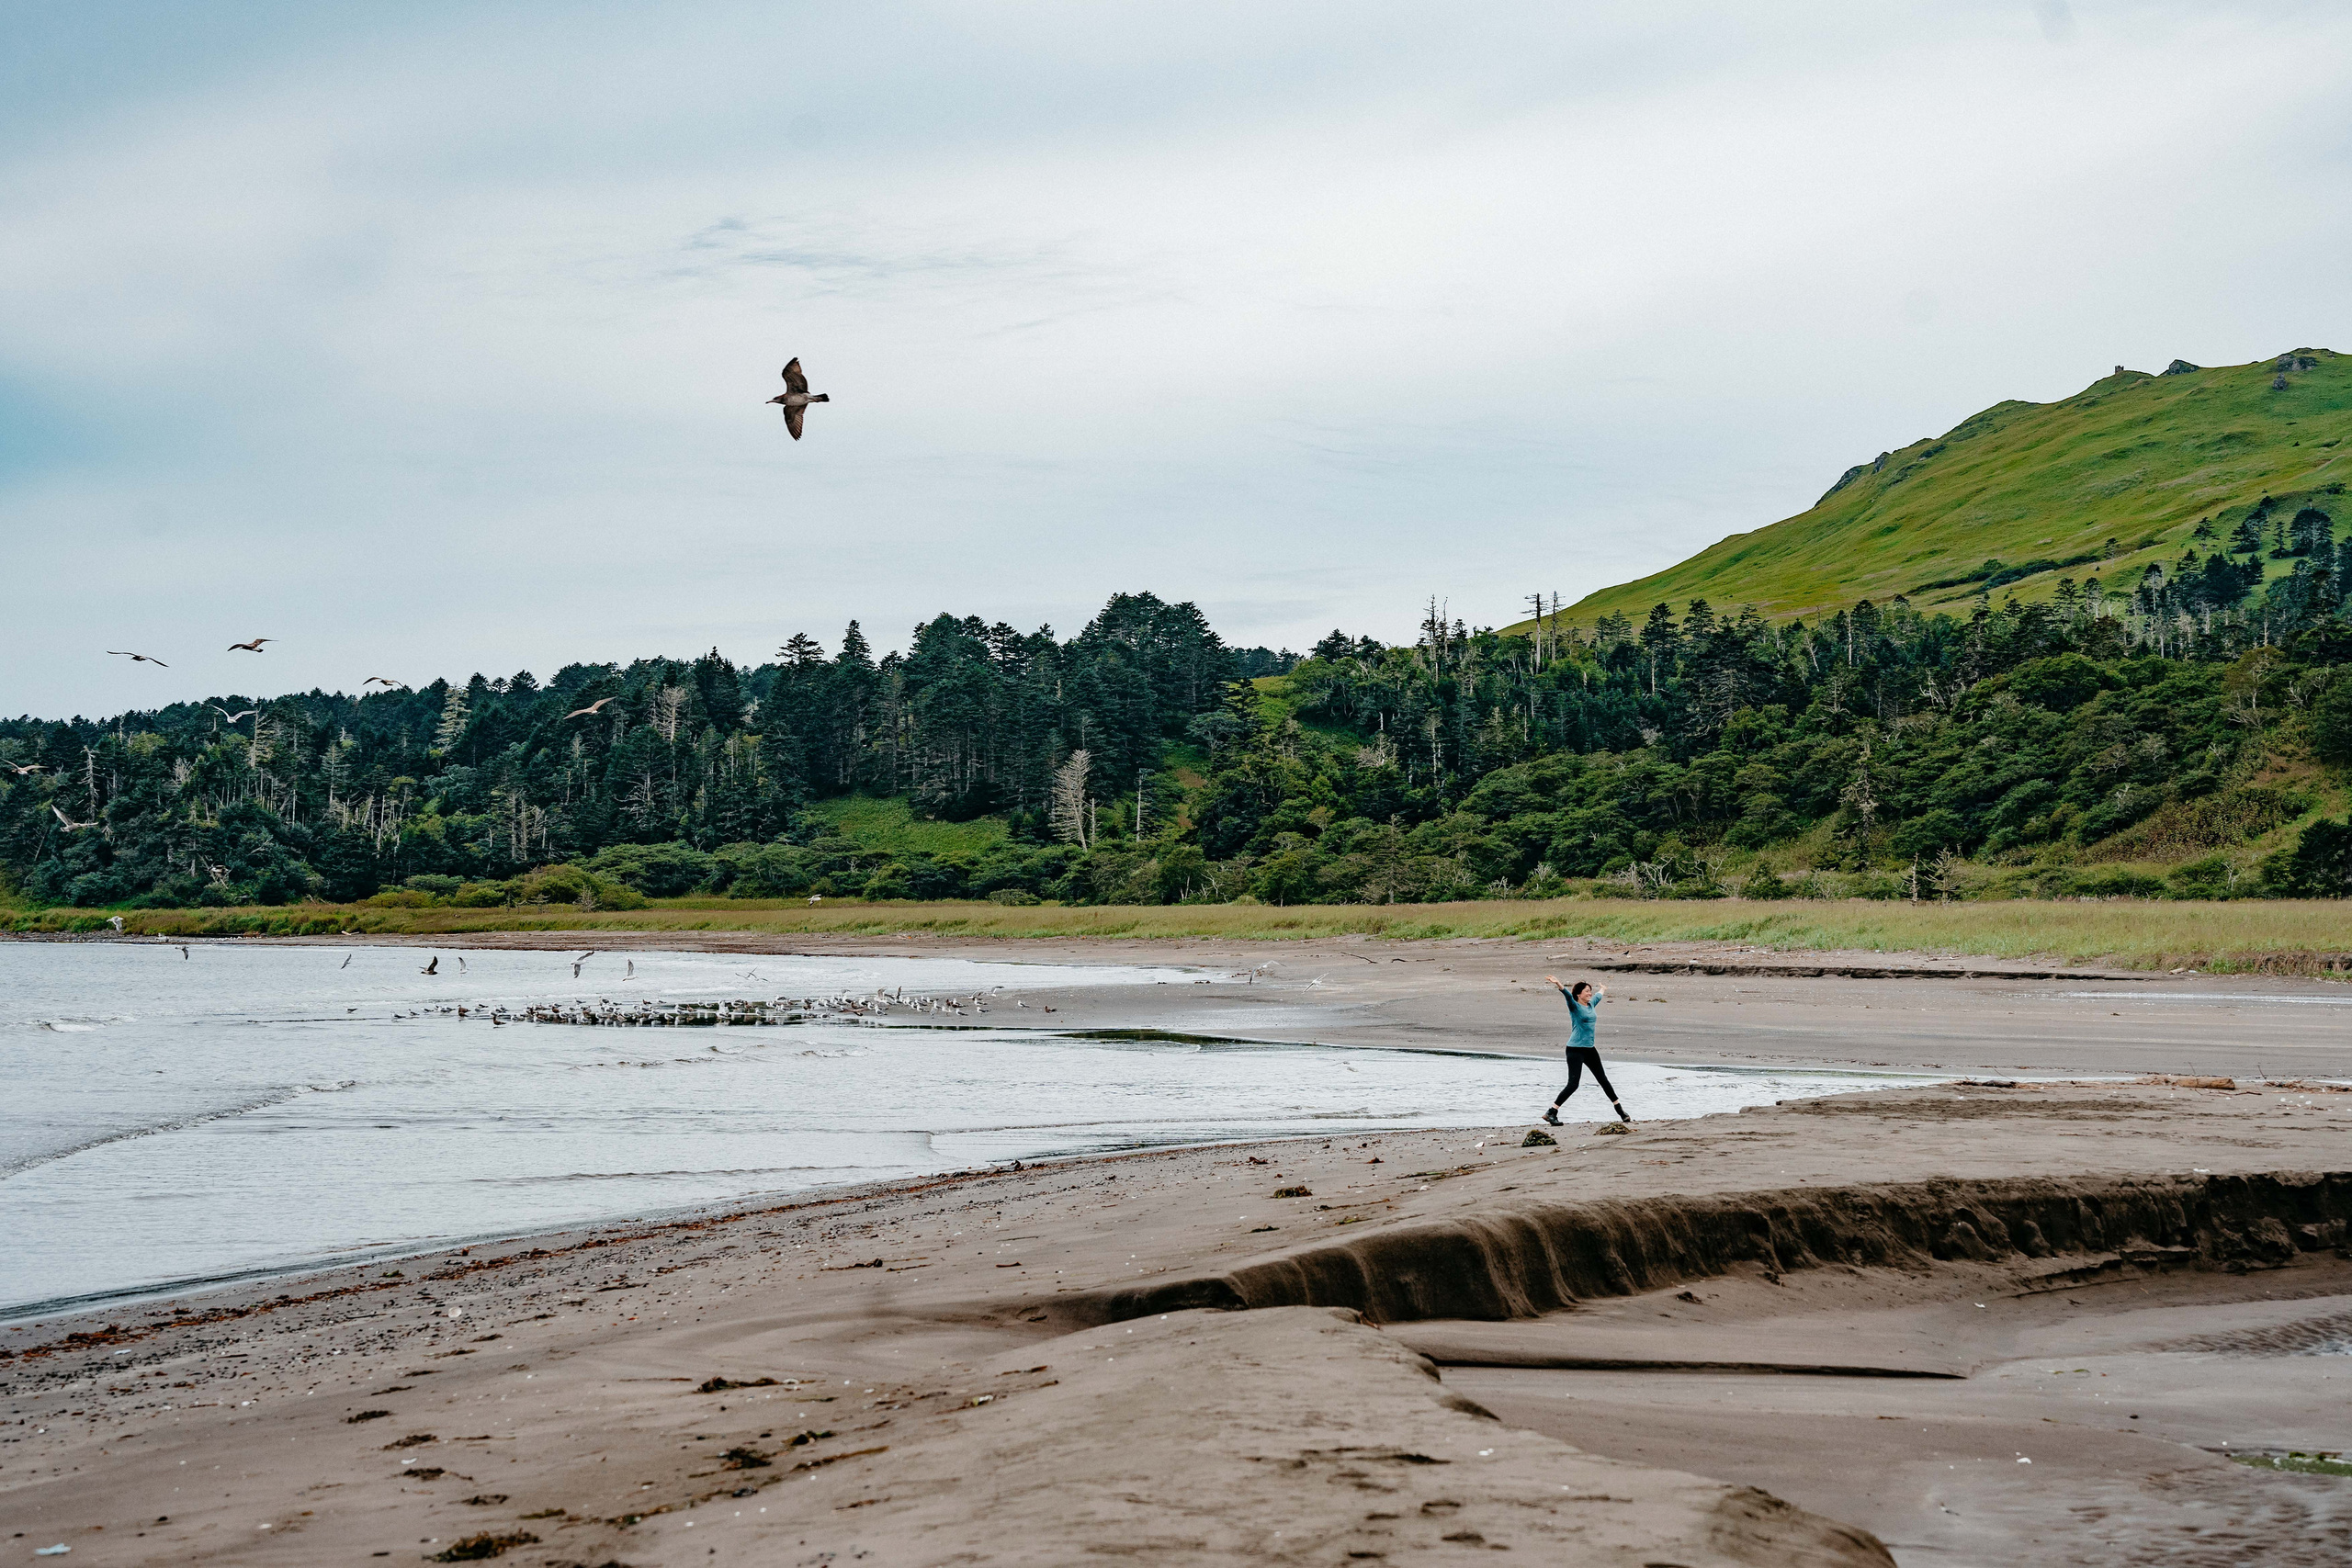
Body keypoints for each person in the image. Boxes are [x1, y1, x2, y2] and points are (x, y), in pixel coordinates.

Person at [1541, 975, 1632, 1125]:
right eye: (1586, 991)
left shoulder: (1591, 1005)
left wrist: (1602, 989)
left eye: (1590, 991)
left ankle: (1621, 1111)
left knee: (1603, 1080)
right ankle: (1551, 1112)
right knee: (1573, 1084)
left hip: (1590, 1050)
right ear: (1579, 994)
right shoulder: (1574, 1006)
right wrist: (1559, 984)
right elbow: (1567, 995)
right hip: (1575, 1050)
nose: (1589, 993)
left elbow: (1598, 997)